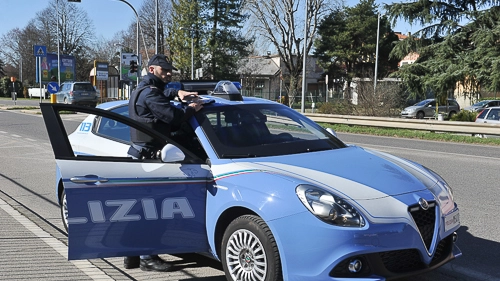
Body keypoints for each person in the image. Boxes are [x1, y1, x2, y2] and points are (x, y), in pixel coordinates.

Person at [124, 54, 203, 272]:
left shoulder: (145, 89)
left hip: (142, 155)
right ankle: (148, 258)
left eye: (170, 70)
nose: (168, 73)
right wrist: (191, 109)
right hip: (149, 159)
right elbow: (173, 117)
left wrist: (177, 91)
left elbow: (160, 92)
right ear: (151, 69)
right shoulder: (150, 94)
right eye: (163, 70)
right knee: (154, 210)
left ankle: (132, 255)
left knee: (140, 210)